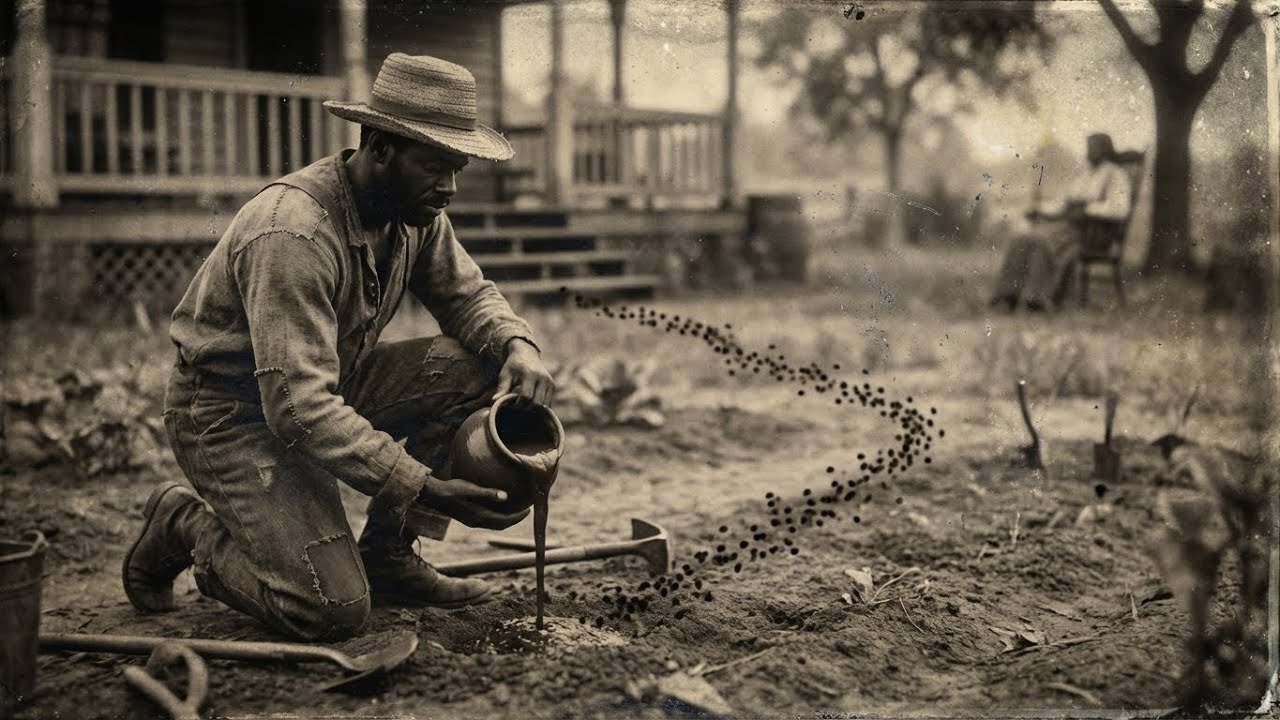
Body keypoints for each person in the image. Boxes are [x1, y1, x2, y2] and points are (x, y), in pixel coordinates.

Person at [121, 54, 556, 641]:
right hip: (229, 416)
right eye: (435, 167)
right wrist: (424, 485)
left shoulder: (414, 213)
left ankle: (389, 555)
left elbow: (467, 294)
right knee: (328, 608)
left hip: (324, 388)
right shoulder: (293, 232)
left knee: (479, 365)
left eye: (457, 169)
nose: (449, 188)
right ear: (380, 147)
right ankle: (184, 525)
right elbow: (296, 407)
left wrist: (518, 344)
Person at [991, 133, 1134, 311]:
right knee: (1022, 238)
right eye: (1088, 147)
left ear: (1105, 149)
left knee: (1043, 241)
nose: (1089, 152)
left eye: (1093, 147)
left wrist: (1087, 210)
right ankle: (1008, 295)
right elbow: (1063, 203)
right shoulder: (1085, 174)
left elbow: (1120, 209)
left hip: (1092, 232)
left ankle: (1038, 299)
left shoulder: (1115, 175)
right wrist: (1041, 210)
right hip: (1068, 225)